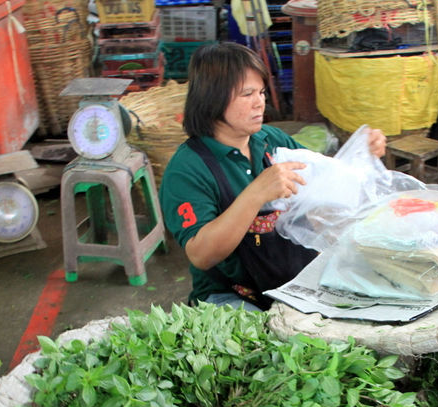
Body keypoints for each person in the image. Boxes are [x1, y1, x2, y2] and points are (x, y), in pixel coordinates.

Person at [159, 42, 386, 310]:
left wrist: (360, 154)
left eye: (262, 92)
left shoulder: (271, 141)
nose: (260, 103)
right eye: (247, 94)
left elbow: (325, 184)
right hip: (232, 294)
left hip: (292, 281)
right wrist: (257, 193)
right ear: (212, 97)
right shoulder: (187, 169)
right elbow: (201, 254)